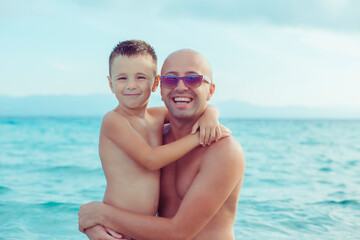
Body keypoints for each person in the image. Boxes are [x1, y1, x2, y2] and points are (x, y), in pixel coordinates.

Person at [79, 49, 245, 240]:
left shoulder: (224, 151)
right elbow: (126, 191)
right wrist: (96, 226)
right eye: (171, 80)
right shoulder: (157, 141)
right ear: (160, 87)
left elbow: (179, 232)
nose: (181, 87)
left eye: (192, 79)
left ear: (211, 91)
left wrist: (101, 214)